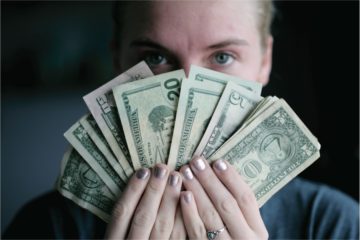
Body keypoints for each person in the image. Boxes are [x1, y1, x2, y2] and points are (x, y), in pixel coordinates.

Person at [3, 0, 359, 239]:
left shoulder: (335, 225)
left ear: (266, 60)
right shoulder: (47, 227)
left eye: (222, 57)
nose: (187, 87)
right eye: (156, 56)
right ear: (117, 59)